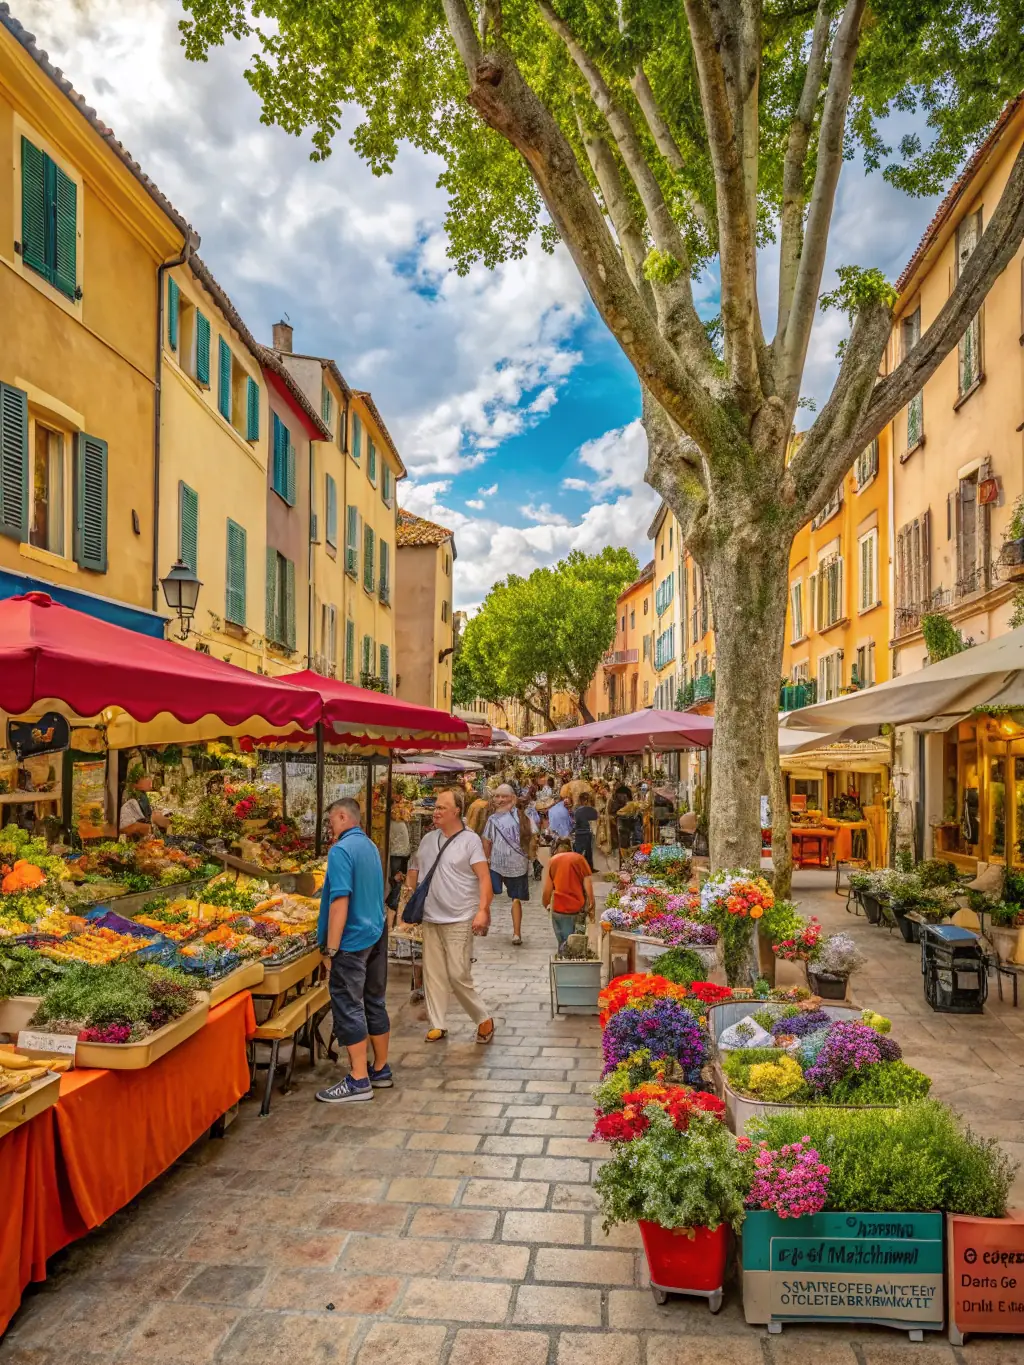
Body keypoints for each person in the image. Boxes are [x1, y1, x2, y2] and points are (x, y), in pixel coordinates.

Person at [404, 788, 496, 1044]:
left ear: (457, 811)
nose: (436, 811)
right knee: (432, 974)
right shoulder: (427, 840)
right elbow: (416, 870)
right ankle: (438, 1023)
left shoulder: (470, 841)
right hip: (431, 916)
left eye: (442, 807)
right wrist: (409, 899)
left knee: (458, 974)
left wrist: (483, 910)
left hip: (460, 917)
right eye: (435, 807)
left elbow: (484, 877)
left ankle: (483, 1017)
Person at [315, 797, 391, 1104]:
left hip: (352, 940)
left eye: (331, 821)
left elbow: (340, 901)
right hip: (376, 931)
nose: (330, 827)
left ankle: (359, 1079)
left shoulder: (342, 850)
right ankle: (381, 1069)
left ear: (343, 817)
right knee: (374, 1000)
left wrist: (331, 948)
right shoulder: (370, 846)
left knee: (348, 1005)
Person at [482, 784, 533, 945]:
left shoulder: (521, 817)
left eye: (504, 796)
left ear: (513, 798)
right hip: (501, 863)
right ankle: (487, 923)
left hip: (513, 864)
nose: (500, 800)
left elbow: (486, 842)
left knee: (512, 899)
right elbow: (487, 842)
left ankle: (516, 933)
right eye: (497, 796)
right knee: (494, 896)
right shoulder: (496, 819)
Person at [542, 837, 595, 948]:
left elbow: (547, 890)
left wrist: (546, 904)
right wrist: (591, 907)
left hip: (558, 909)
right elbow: (588, 887)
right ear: (570, 848)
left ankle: (562, 958)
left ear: (556, 849)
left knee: (563, 944)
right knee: (576, 945)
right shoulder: (579, 859)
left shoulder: (553, 861)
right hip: (577, 909)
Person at [572, 790, 599, 869]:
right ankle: (589, 868)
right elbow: (596, 818)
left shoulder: (576, 810)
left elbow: (575, 822)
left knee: (579, 852)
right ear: (587, 801)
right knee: (588, 851)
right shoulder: (591, 810)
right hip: (588, 832)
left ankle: (577, 867)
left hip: (579, 833)